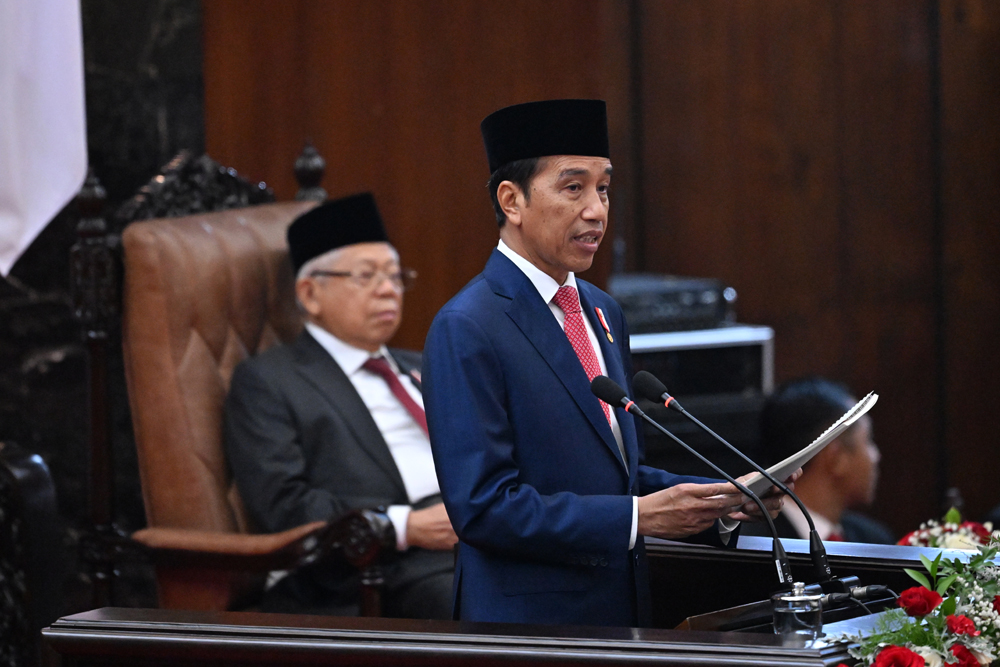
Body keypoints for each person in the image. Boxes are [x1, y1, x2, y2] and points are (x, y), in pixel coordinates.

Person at [422, 99, 788, 627]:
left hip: (619, 612)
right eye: (573, 188)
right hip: (527, 629)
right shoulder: (468, 325)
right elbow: (483, 508)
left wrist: (721, 500)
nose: (596, 210)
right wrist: (638, 517)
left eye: (604, 188)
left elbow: (612, 474)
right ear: (512, 200)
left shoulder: (601, 309)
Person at [224, 193, 457, 618]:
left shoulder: (426, 366)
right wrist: (402, 526)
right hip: (375, 568)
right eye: (366, 276)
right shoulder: (269, 381)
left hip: (477, 540)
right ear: (311, 294)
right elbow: (284, 503)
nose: (389, 289)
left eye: (394, 275)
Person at [741, 377, 894, 544]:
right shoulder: (752, 544)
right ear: (836, 458)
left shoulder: (873, 541)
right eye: (868, 441)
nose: (876, 456)